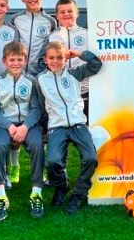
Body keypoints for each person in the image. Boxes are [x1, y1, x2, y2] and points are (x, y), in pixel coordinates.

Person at [37, 41, 103, 214]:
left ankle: (79, 193)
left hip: (78, 124)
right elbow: (40, 103)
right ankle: (61, 186)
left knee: (90, 158)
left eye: (59, 57)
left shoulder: (74, 74)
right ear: (45, 59)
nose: (55, 61)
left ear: (65, 59)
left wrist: (79, 53)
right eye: (51, 58)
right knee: (53, 162)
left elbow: (96, 64)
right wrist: (46, 123)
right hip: (56, 126)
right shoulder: (41, 79)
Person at [0, 42, 44, 221]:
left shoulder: (31, 81)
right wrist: (10, 126)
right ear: (4, 61)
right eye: (12, 60)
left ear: (25, 60)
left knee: (37, 145)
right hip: (5, 124)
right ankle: (0, 195)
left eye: (20, 59)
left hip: (28, 124)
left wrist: (25, 126)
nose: (16, 63)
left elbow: (36, 109)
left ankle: (36, 192)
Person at [11, 0, 57, 76]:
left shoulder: (50, 21)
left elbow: (53, 48)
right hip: (19, 73)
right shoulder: (16, 19)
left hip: (41, 74)